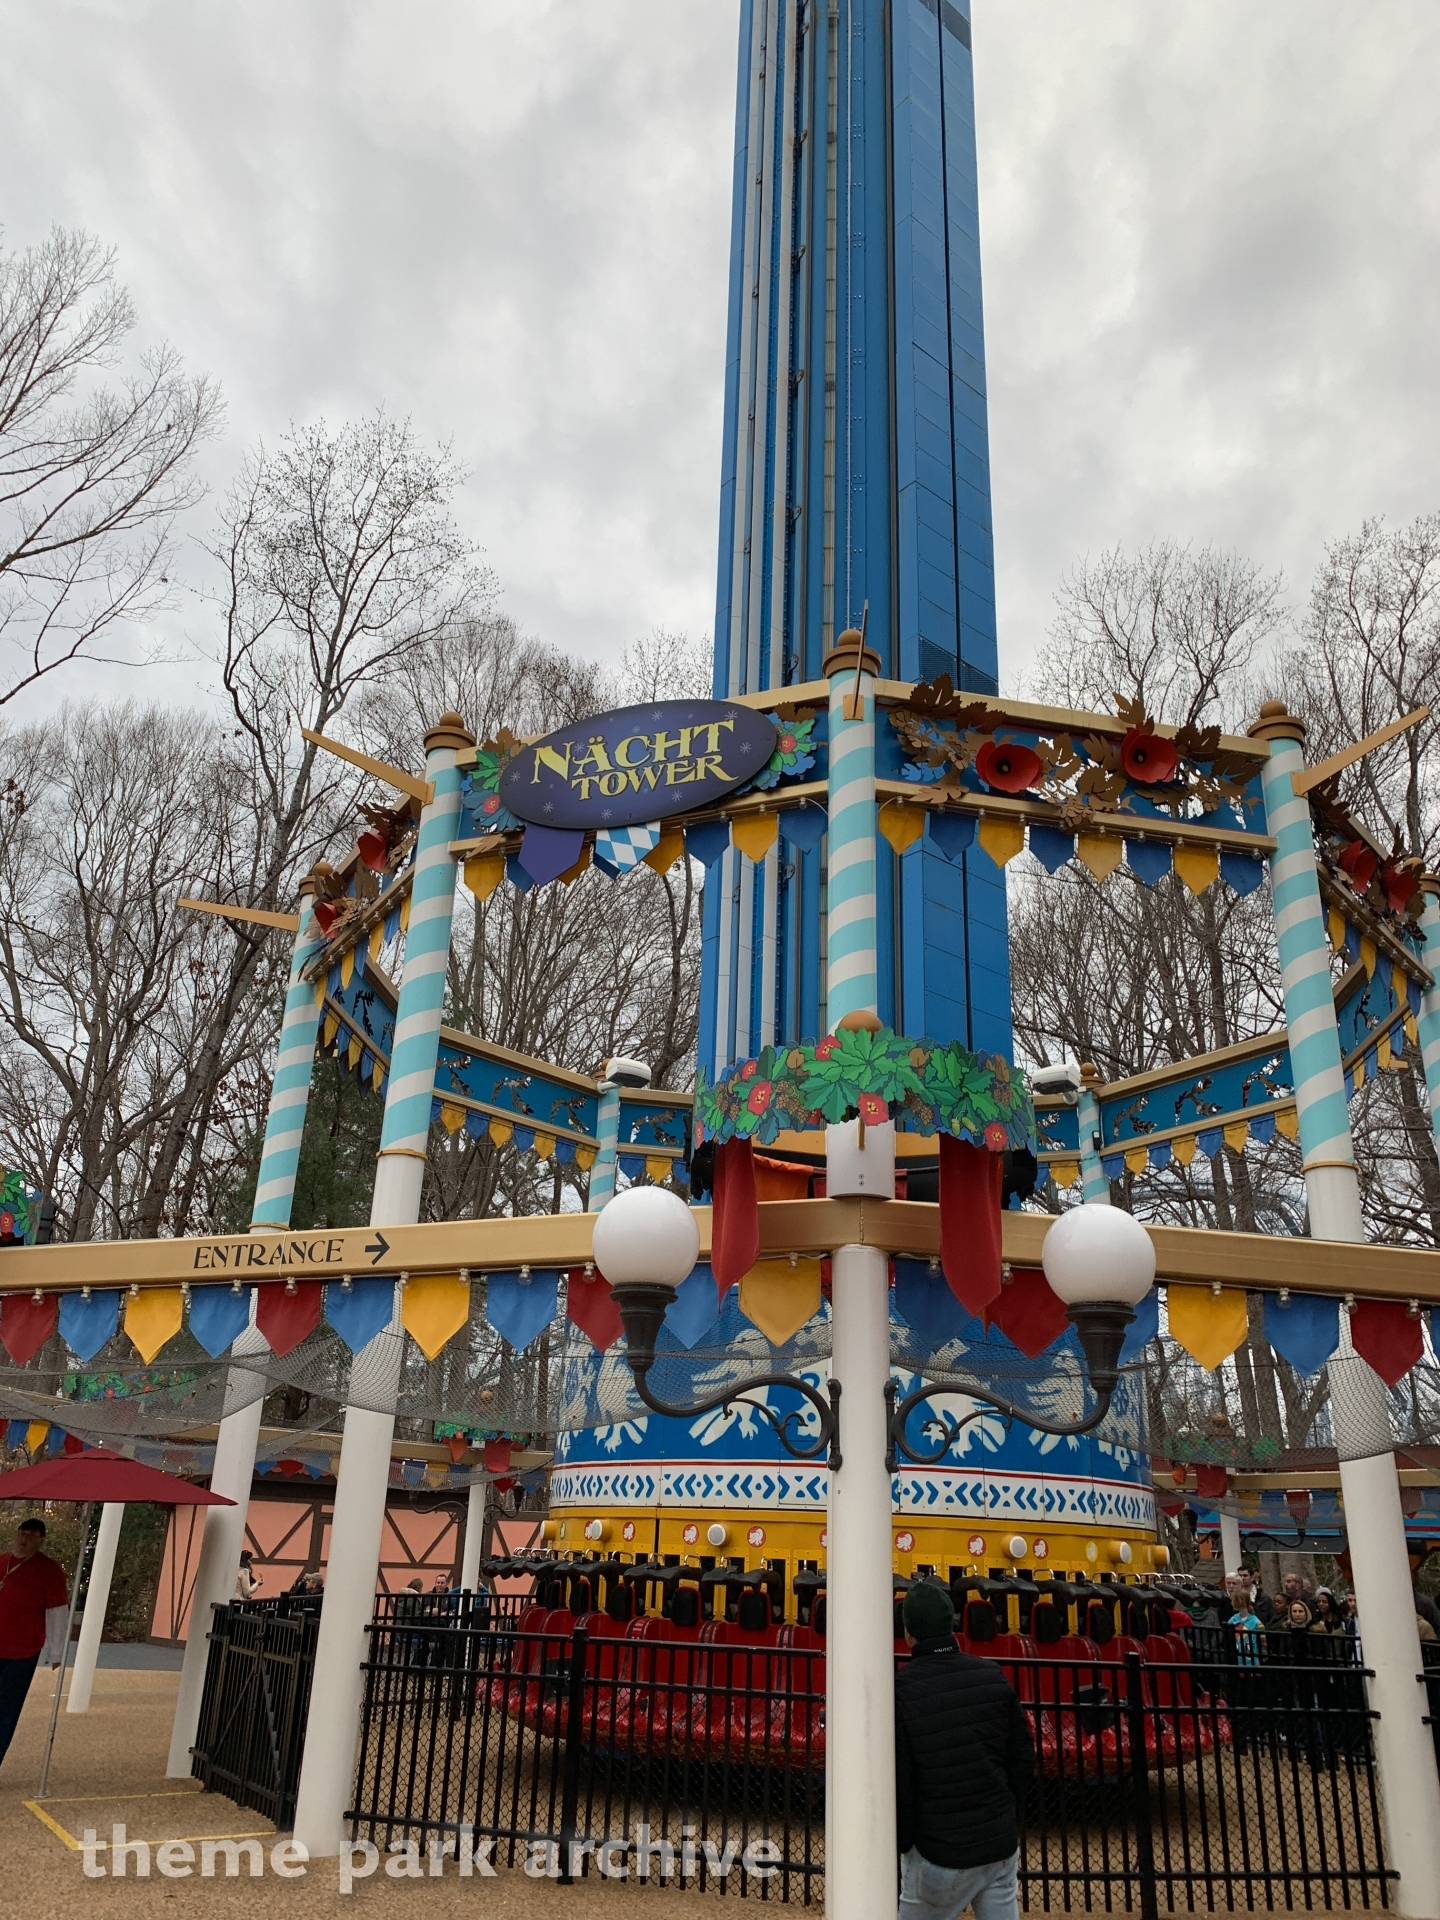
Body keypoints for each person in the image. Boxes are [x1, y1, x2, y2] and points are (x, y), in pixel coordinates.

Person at [895, 1579, 1033, 1920]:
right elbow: (1021, 1758)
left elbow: (901, 1780)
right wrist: (1008, 1816)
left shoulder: (901, 1690)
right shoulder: (991, 1675)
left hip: (942, 1851)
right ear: (951, 1624)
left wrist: (906, 1840)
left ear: (908, 1633)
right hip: (998, 1843)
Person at [0, 1518, 69, 1772]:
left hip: (21, 1652)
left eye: (32, 1536)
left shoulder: (49, 1570)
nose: (25, 1539)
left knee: (5, 1709)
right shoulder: (2, 1561)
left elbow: (57, 1611)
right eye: (23, 1533)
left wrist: (57, 1651)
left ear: (40, 1541)